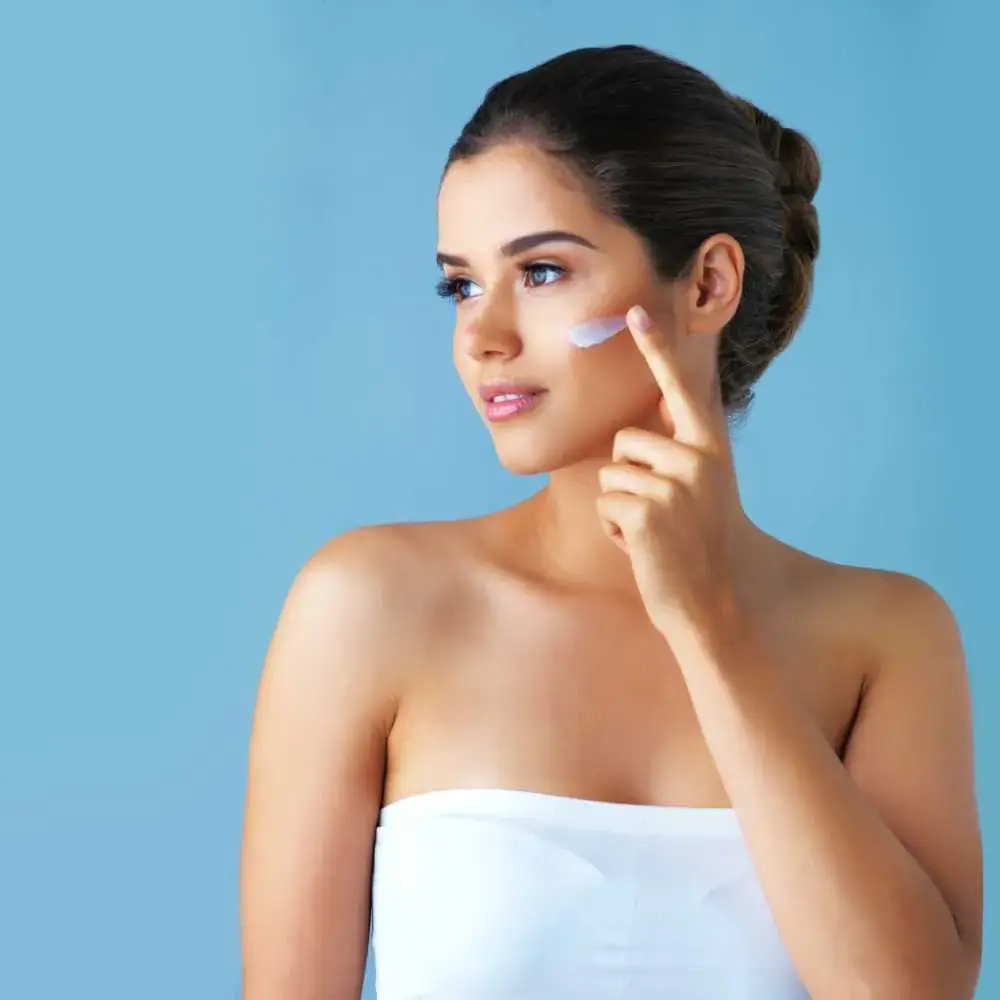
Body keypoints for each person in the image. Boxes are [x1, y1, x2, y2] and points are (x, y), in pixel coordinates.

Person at [239, 44, 983, 1000]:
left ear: (709, 283)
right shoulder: (368, 607)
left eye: (542, 272)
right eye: (459, 284)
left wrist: (710, 630)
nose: (482, 336)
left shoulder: (887, 639)